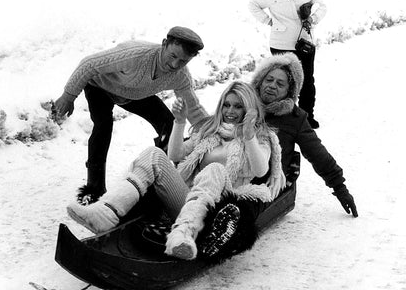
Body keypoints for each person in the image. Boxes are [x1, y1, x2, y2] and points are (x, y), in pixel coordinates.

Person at [66, 81, 286, 261]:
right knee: (154, 154)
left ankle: (184, 235)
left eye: (238, 106)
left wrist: (248, 135)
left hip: (216, 211)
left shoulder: (261, 137)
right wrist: (179, 122)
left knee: (215, 170)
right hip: (186, 199)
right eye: (227, 105)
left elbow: (261, 169)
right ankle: (106, 213)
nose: (230, 111)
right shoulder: (210, 131)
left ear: (248, 109)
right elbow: (175, 155)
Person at [199, 53, 358, 261]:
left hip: (265, 180)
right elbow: (216, 127)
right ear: (261, 80)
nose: (272, 86)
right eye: (269, 80)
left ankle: (221, 234)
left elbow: (319, 154)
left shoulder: (294, 119)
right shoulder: (243, 103)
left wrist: (340, 187)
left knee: (242, 205)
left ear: (288, 92)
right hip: (228, 169)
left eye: (280, 84)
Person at [54, 26, 208, 204]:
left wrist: (215, 131)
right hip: (100, 87)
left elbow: (193, 109)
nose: (175, 65)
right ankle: (94, 189)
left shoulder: (180, 76)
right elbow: (88, 64)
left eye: (183, 61)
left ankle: (174, 179)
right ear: (164, 44)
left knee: (169, 123)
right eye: (173, 56)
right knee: (103, 125)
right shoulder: (135, 55)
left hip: (135, 94)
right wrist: (69, 96)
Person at [248, 0, 327, 128]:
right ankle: (280, 117)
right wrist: (268, 21)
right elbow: (253, 5)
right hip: (280, 43)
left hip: (305, 42)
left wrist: (312, 18)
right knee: (281, 81)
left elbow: (323, 6)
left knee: (307, 81)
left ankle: (306, 116)